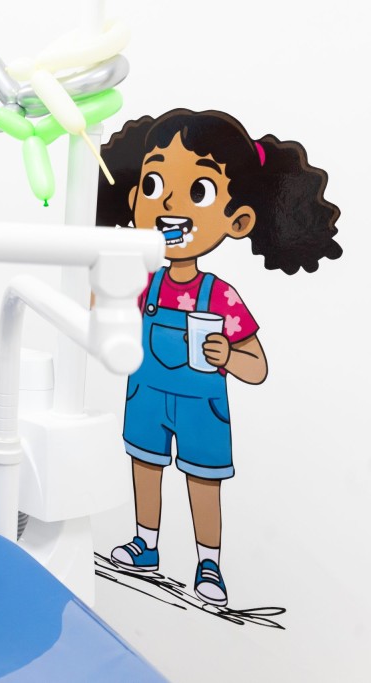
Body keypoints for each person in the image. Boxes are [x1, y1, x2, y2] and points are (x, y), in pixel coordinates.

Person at [96, 109, 341, 606]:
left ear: (238, 220)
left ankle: (208, 563)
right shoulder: (143, 282)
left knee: (203, 482)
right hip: (146, 395)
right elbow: (98, 312)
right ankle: (145, 543)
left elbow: (257, 366)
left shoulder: (220, 296)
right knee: (145, 467)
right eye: (153, 185)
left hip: (201, 407)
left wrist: (227, 353)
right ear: (135, 200)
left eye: (199, 191)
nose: (168, 203)